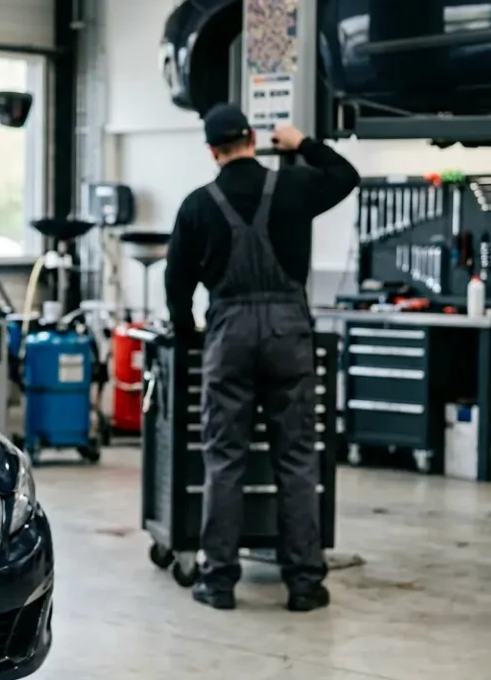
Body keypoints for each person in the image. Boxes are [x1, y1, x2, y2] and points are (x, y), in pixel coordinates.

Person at [163, 104, 360, 612]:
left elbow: (177, 283)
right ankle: (304, 584)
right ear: (253, 139)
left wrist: (189, 336)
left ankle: (218, 581)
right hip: (288, 333)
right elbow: (346, 175)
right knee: (296, 460)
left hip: (228, 333)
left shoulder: (197, 205)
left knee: (224, 459)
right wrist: (302, 143)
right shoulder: (294, 187)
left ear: (213, 152)